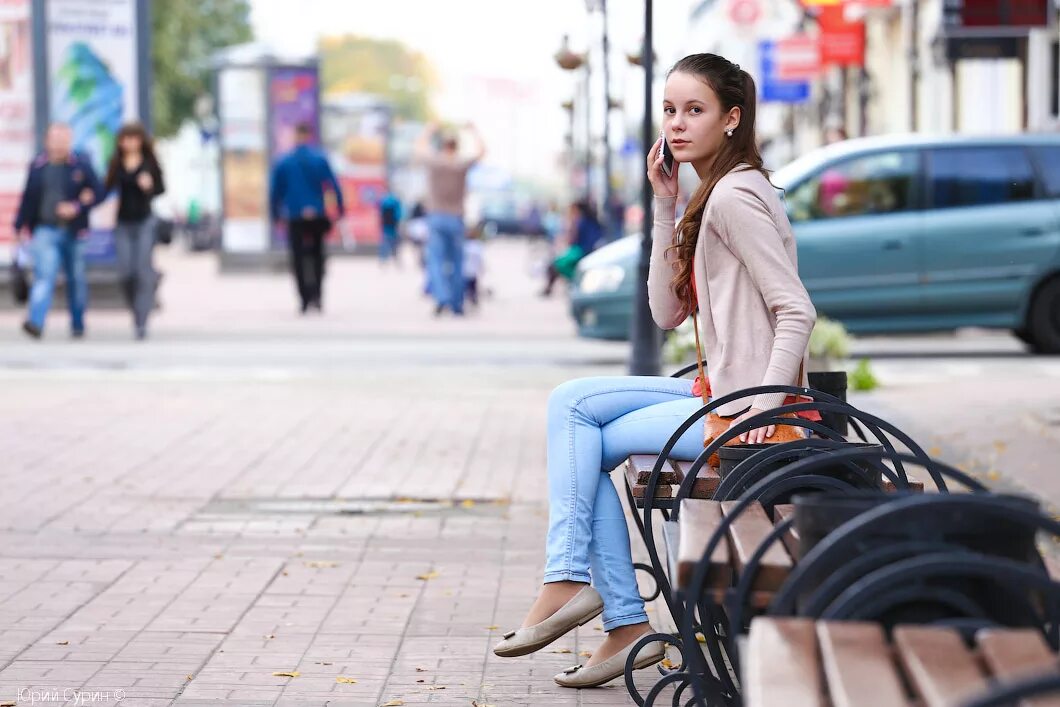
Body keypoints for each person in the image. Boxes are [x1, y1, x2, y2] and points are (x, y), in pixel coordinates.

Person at [492, 54, 818, 689]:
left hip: (748, 410)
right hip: (719, 389)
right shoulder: (711, 193)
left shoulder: (735, 197)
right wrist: (664, 205)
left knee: (586, 436)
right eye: (669, 110)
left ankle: (598, 600)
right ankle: (602, 606)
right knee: (573, 407)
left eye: (694, 110)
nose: (676, 124)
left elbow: (796, 309)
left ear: (731, 119)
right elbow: (666, 314)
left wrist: (767, 402)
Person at [14, 123, 104, 339]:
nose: (59, 143)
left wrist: (77, 207)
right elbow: (28, 199)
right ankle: (35, 322)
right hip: (45, 229)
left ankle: (77, 323)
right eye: (55, 138)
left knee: (76, 279)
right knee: (44, 276)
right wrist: (19, 225)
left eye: (64, 138)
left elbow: (99, 191)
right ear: (47, 140)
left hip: (75, 232)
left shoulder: (81, 165)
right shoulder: (38, 166)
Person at [269, 122, 345, 314]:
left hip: (295, 216)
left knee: (297, 257)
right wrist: (340, 209)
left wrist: (275, 214)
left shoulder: (284, 161)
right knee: (318, 255)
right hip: (318, 214)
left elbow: (275, 192)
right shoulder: (320, 158)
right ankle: (317, 296)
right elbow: (333, 186)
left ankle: (303, 298)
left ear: (296, 135)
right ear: (309, 135)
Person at [413, 121, 485, 316]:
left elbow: (418, 149)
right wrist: (474, 131)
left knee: (435, 260)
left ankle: (441, 297)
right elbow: (482, 152)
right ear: (456, 146)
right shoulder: (461, 164)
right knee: (457, 262)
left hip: (435, 216)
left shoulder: (435, 162)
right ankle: (456, 303)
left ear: (443, 146)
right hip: (456, 217)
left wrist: (428, 130)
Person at [104, 122, 165, 340]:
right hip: (122, 222)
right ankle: (140, 303)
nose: (129, 143)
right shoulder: (117, 163)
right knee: (126, 272)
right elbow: (105, 187)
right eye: (125, 138)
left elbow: (161, 189)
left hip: (144, 221)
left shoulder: (149, 162)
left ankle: (141, 321)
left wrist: (149, 185)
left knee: (142, 270)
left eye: (134, 138)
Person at [540, 200, 602, 297]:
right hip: (579, 249)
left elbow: (572, 239)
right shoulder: (587, 221)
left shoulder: (582, 222)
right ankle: (568, 282)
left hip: (581, 250)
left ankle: (575, 280)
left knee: (557, 264)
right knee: (556, 264)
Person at [378, 190, 402, 265]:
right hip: (394, 226)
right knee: (395, 244)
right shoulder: (395, 201)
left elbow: (380, 214)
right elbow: (399, 214)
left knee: (385, 243)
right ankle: (396, 259)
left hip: (386, 226)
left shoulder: (383, 201)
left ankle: (383, 259)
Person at [463, 227, 485, 308]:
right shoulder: (478, 245)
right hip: (473, 272)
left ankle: (471, 298)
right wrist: (481, 268)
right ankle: (473, 299)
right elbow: (480, 260)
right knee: (473, 287)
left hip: (465, 271)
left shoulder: (464, 246)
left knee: (469, 287)